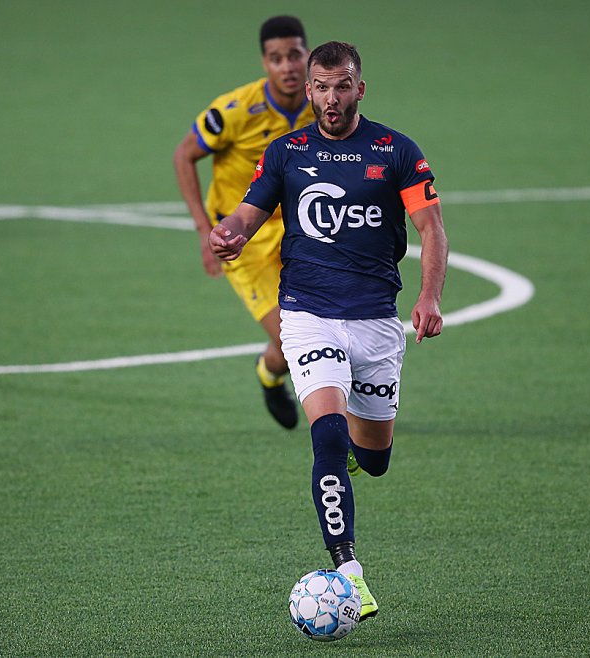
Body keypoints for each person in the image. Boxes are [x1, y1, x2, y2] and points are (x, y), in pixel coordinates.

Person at [209, 41, 448, 622]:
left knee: (378, 456)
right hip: (308, 312)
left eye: (343, 87)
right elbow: (250, 210)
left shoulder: (396, 151)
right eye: (322, 87)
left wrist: (429, 296)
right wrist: (231, 232)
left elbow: (431, 228)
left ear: (359, 88)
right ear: (309, 90)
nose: (332, 98)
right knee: (327, 436)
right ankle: (349, 573)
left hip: (376, 323)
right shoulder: (287, 152)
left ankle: (346, 467)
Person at [173, 16, 314, 430]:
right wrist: (203, 230)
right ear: (264, 63)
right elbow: (184, 156)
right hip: (243, 239)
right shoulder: (234, 110)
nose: (287, 66)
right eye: (276, 59)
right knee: (293, 342)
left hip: (300, 233)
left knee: (327, 329)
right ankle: (271, 375)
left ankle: (287, 379)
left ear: (307, 54)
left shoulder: (321, 105)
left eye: (294, 55)